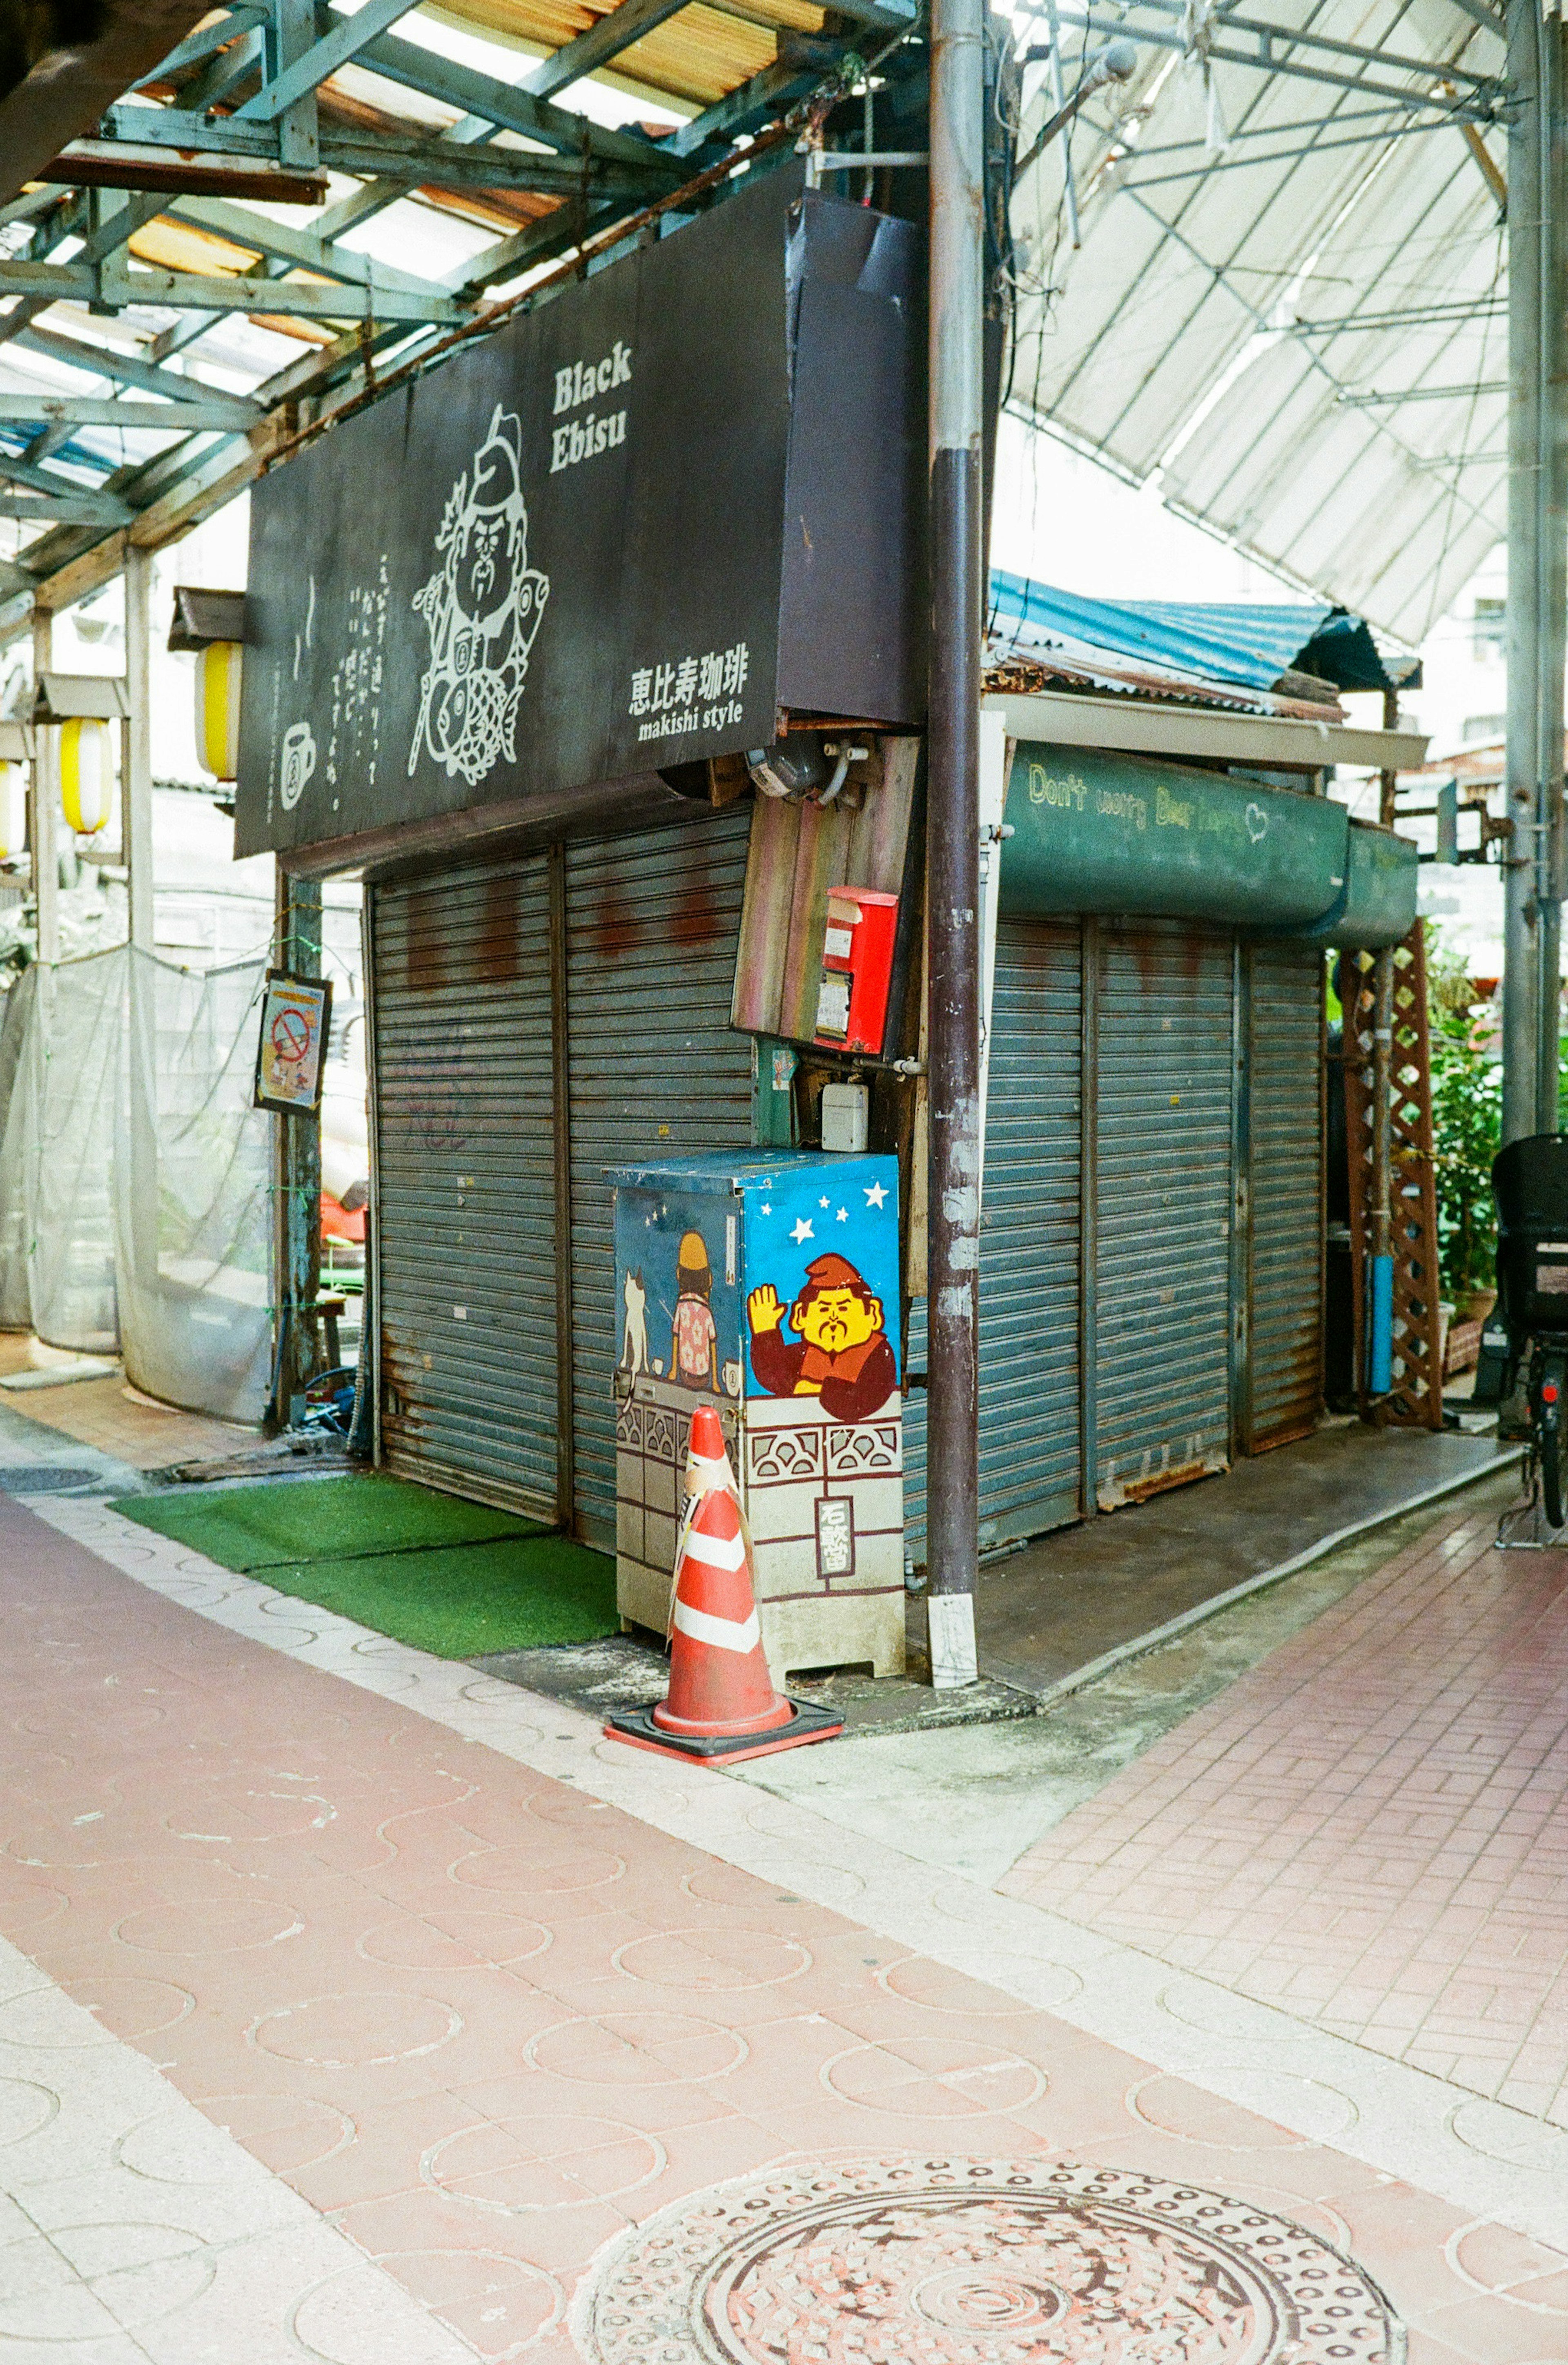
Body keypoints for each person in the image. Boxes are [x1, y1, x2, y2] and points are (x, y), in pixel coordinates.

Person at [746, 1251, 896, 1423]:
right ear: (800, 1318)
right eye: (824, 1309)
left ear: (873, 1315)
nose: (833, 1317)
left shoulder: (878, 1354)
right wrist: (766, 1333)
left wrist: (812, 1389)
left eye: (843, 1309)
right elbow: (774, 1376)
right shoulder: (807, 1353)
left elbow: (862, 1401)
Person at [670, 1230, 719, 1391]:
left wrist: (673, 1371)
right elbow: (713, 1345)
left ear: (679, 1274)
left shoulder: (681, 1306)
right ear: (709, 1279)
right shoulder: (706, 1311)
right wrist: (715, 1382)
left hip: (685, 1375)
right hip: (704, 1378)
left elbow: (676, 1337)